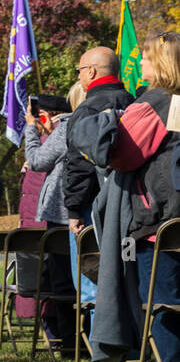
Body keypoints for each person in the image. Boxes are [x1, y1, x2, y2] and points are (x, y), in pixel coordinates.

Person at [72, 33, 180, 362]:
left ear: (161, 63)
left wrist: (99, 127)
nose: (141, 65)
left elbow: (120, 155)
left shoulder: (153, 103)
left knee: (162, 298)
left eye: (146, 59)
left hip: (157, 219)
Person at [22, 92, 77, 349]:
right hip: (75, 214)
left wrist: (31, 131)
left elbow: (37, 161)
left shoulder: (66, 126)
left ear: (49, 116)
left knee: (63, 281)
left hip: (63, 216)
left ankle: (69, 343)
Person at [63, 47, 133, 238]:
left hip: (94, 206)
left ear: (91, 71)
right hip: (132, 204)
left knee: (90, 266)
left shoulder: (87, 110)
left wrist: (74, 209)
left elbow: (79, 163)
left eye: (80, 71)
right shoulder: (134, 103)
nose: (78, 77)